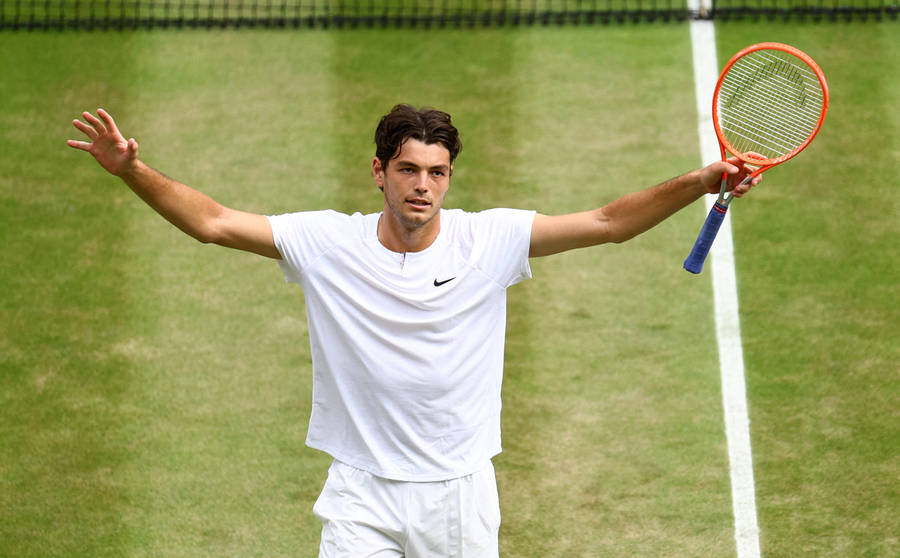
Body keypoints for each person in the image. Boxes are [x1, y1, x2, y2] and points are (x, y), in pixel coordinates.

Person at [68, 105, 758, 557]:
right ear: (379, 172)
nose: (422, 186)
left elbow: (607, 223)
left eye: (436, 172)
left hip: (455, 495)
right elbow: (213, 222)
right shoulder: (325, 244)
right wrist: (132, 170)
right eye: (407, 169)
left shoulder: (488, 241)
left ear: (449, 178)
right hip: (360, 490)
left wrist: (699, 181)